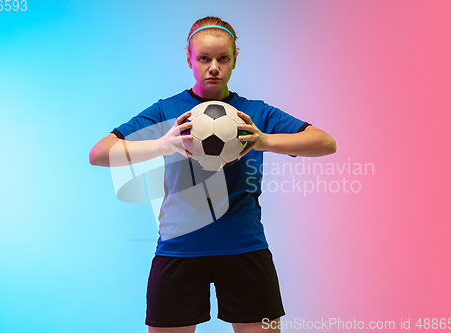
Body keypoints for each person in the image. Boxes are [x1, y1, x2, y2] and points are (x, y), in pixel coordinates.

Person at [90, 16, 336, 333]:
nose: (214, 68)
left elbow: (325, 143)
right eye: (204, 59)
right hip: (179, 249)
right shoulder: (168, 111)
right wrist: (162, 145)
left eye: (223, 58)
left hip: (245, 247)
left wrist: (265, 140)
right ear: (189, 59)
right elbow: (99, 153)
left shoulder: (255, 112)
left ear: (235, 59)